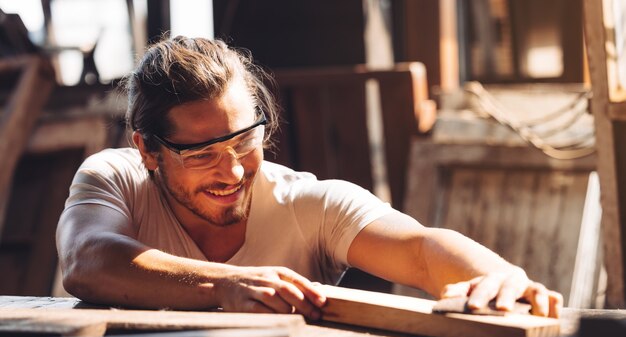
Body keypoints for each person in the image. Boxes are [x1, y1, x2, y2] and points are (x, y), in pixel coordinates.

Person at [56, 36, 562, 320]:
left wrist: (494, 277)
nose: (232, 171)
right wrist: (227, 286)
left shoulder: (309, 204)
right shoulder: (115, 176)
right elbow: (87, 259)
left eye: (242, 141)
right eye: (202, 154)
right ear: (147, 149)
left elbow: (420, 249)